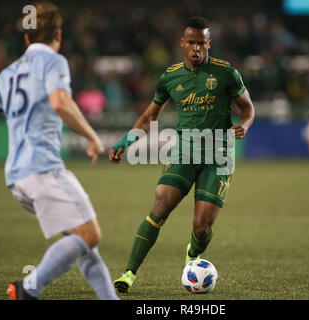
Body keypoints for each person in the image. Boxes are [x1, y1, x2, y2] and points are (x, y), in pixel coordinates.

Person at [0, 1, 118, 300]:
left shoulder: (8, 74)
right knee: (90, 234)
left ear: (26, 38)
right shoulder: (54, 62)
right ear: (58, 34)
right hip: (43, 170)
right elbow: (60, 103)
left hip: (16, 178)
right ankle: (28, 289)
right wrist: (91, 136)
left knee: (81, 241)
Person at [109, 16, 255, 293]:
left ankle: (193, 253)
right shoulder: (170, 76)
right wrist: (125, 141)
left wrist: (244, 125)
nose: (196, 48)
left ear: (209, 44)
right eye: (191, 43)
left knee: (201, 228)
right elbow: (149, 116)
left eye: (202, 43)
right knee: (161, 204)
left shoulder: (226, 73)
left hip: (218, 154)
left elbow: (248, 108)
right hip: (185, 149)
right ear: (183, 43)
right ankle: (128, 273)